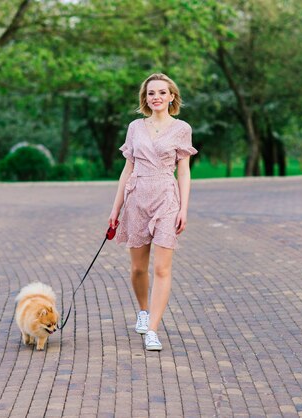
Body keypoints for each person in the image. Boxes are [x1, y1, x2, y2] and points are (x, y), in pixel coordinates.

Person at [108, 73, 197, 351]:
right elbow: (127, 169)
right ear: (145, 99)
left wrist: (184, 207)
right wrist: (115, 209)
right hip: (137, 198)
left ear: (172, 97)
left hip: (166, 199)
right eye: (151, 93)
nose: (156, 97)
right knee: (137, 268)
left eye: (161, 92)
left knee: (161, 267)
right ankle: (143, 311)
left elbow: (184, 171)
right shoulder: (135, 127)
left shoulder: (182, 128)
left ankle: (153, 330)